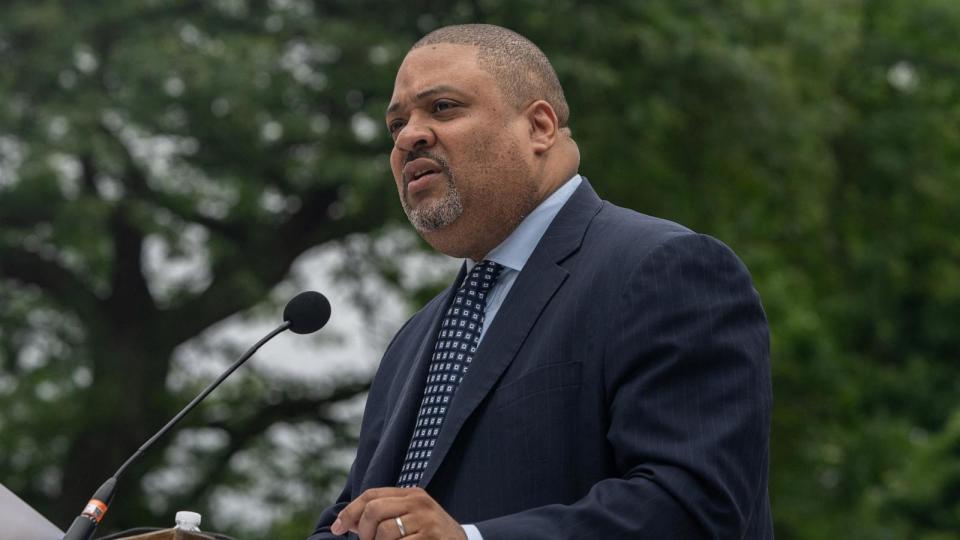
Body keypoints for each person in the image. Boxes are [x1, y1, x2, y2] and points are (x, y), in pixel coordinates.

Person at [308, 23, 773, 540]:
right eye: (396, 125)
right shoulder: (411, 343)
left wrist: (472, 539)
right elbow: (356, 519)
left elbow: (695, 507)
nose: (409, 137)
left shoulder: (666, 269)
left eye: (442, 108)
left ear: (540, 127)